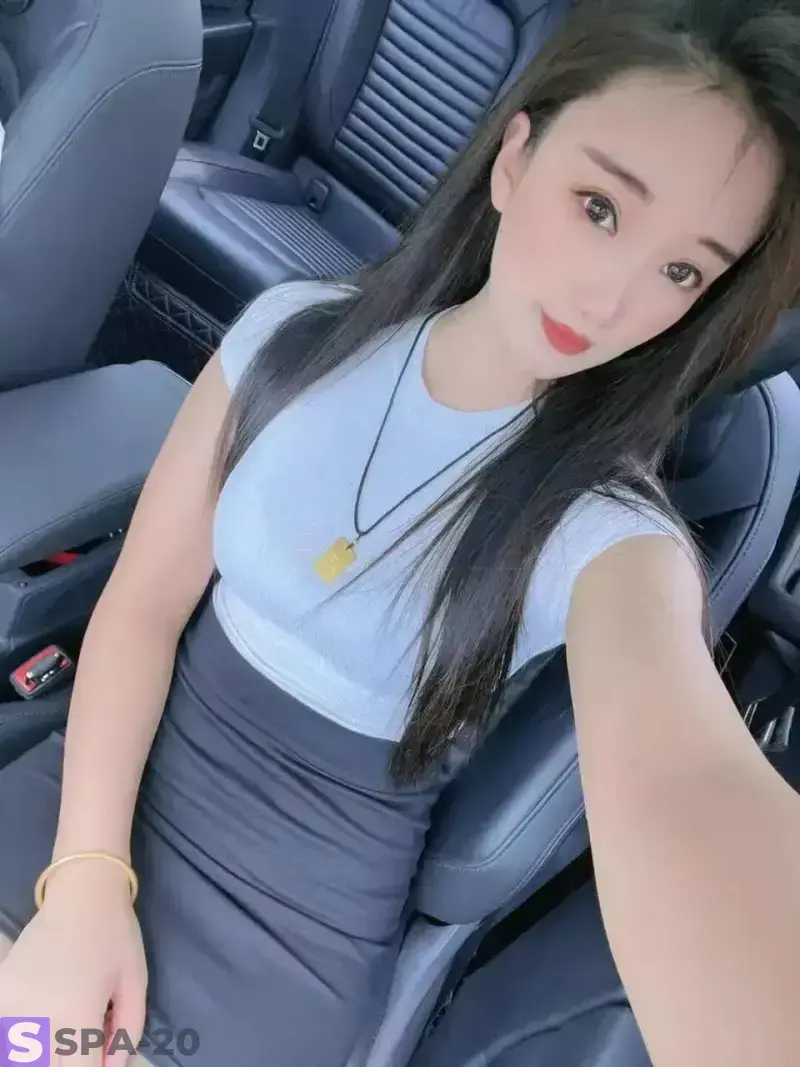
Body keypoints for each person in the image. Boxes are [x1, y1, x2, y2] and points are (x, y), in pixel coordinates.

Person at [1, 0, 800, 1064]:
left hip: (280, 950)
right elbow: (141, 610)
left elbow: (684, 784)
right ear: (515, 160)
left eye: (682, 271)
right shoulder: (290, 337)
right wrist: (86, 883)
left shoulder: (611, 540)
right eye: (601, 207)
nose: (613, 299)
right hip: (92, 802)